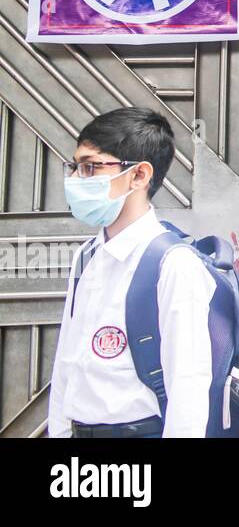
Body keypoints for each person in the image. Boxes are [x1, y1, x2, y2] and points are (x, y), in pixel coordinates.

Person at [48, 107, 216, 438]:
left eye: (90, 167)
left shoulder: (174, 264)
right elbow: (67, 361)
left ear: (138, 175)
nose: (76, 179)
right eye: (76, 167)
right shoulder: (87, 256)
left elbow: (189, 387)